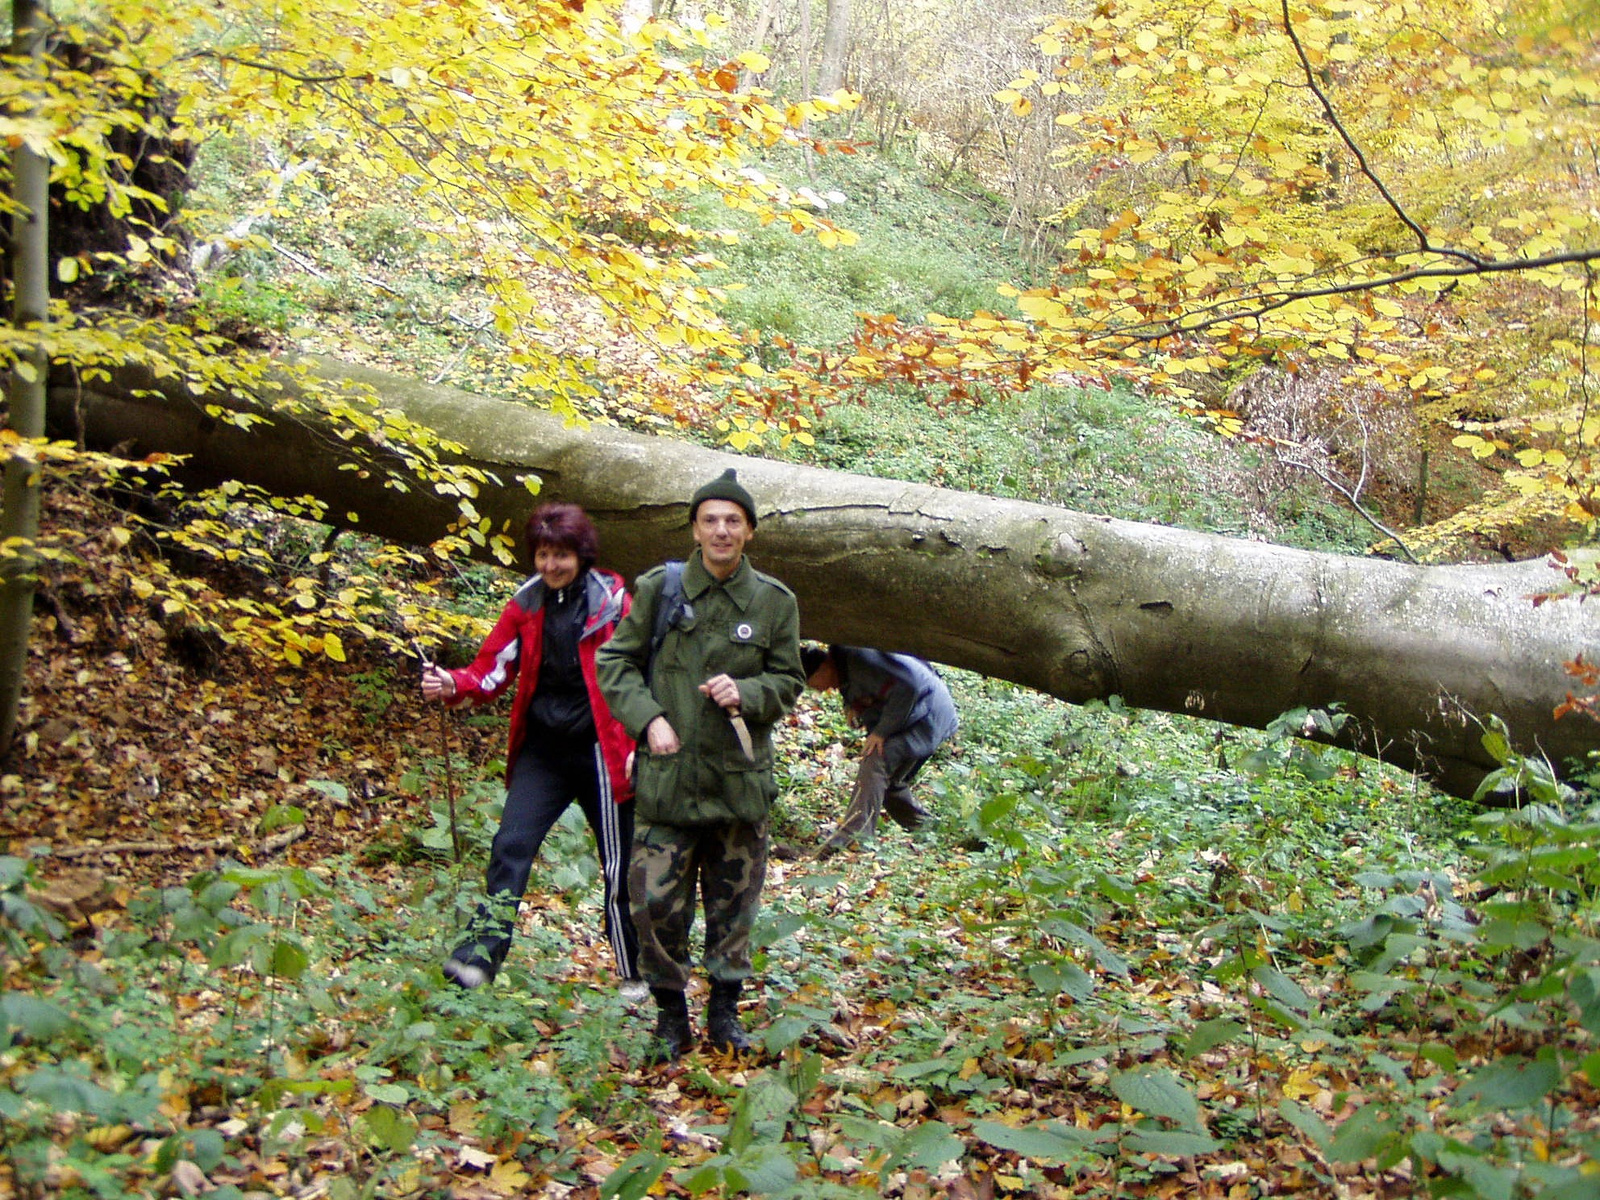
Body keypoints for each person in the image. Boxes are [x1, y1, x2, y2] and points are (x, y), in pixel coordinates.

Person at [596, 468, 804, 1058]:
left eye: (732, 521)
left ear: (749, 533)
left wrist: (750, 693)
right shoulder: (659, 591)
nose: (721, 530)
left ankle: (724, 1014)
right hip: (668, 781)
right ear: (693, 529)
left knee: (733, 904)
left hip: (738, 784)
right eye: (710, 519)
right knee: (654, 903)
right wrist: (649, 719)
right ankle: (670, 1018)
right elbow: (615, 663)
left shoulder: (773, 602)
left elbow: (789, 679)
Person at [420, 502, 640, 992]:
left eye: (560, 555)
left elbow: (643, 671)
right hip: (544, 749)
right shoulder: (526, 603)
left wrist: (644, 734)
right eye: (542, 554)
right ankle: (479, 957)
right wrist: (451, 683)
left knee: (618, 864)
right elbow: (490, 668)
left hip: (602, 749)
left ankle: (634, 972)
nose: (550, 565)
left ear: (582, 555)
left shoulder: (614, 603)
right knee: (510, 845)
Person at [800, 645, 958, 857]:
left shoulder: (860, 662)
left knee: (875, 759)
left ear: (823, 667)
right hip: (920, 712)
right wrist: (853, 706)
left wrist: (881, 732)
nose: (818, 690)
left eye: (812, 684)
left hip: (928, 711)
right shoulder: (845, 666)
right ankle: (932, 832)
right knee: (887, 784)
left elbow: (907, 687)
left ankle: (853, 838)